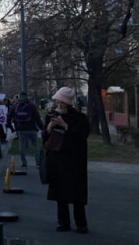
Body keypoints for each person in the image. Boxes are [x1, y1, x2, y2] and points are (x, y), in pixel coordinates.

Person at [43, 86, 90, 233]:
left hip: (74, 162)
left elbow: (82, 136)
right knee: (59, 193)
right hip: (57, 160)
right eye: (57, 101)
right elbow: (45, 138)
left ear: (68, 103)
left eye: (62, 102)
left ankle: (81, 224)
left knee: (77, 195)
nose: (59, 104)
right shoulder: (51, 115)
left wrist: (66, 126)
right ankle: (63, 222)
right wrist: (50, 127)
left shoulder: (79, 118)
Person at [7, 91, 44, 167]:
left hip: (20, 129)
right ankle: (37, 162)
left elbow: (9, 117)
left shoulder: (15, 105)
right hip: (32, 128)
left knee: (22, 146)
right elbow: (37, 117)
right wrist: (42, 127)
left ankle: (24, 163)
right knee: (35, 145)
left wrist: (11, 128)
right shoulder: (31, 105)